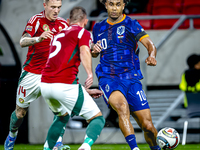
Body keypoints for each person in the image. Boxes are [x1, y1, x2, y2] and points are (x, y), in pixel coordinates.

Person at [92, 0, 160, 150]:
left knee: (148, 126)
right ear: (106, 5)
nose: (114, 8)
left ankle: (156, 148)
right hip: (108, 77)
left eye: (118, 4)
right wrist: (93, 50)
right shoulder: (98, 27)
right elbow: (94, 52)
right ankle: (134, 149)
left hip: (131, 78)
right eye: (111, 4)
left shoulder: (131, 24)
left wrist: (152, 55)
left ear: (123, 6)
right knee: (122, 108)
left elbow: (150, 44)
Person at [4, 0, 70, 150]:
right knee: (20, 113)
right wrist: (38, 38)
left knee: (62, 110)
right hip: (32, 73)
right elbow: (22, 41)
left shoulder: (63, 25)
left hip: (52, 75)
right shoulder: (36, 21)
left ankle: (57, 142)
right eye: (53, 7)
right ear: (44, 5)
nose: (56, 11)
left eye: (59, 7)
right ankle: (12, 135)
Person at [40, 6, 105, 150]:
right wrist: (89, 73)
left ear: (68, 21)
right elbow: (84, 51)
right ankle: (85, 147)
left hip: (45, 84)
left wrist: (84, 91)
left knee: (62, 117)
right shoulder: (83, 32)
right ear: (86, 21)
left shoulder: (57, 35)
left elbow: (58, 68)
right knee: (97, 119)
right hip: (64, 85)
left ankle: (47, 148)